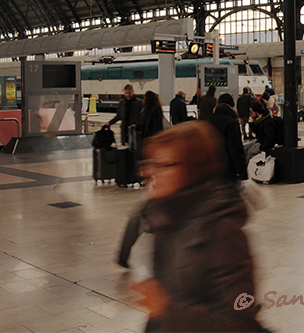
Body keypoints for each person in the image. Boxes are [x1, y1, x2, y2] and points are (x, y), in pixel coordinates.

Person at [130, 122, 264, 332]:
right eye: (151, 162)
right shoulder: (166, 219)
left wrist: (166, 308)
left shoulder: (224, 231)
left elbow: (241, 324)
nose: (147, 172)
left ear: (192, 170)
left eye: (164, 165)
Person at [198, 94, 246, 182]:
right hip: (227, 169)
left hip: (209, 169)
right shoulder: (231, 122)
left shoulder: (206, 121)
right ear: (232, 106)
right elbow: (235, 148)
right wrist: (242, 172)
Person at [104, 85, 144, 149]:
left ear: (133, 92)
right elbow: (119, 116)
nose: (128, 95)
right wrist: (110, 122)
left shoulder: (140, 103)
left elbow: (143, 117)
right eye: (126, 93)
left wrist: (137, 125)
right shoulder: (122, 103)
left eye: (129, 93)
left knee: (135, 147)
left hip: (135, 129)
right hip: (125, 129)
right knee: (125, 148)